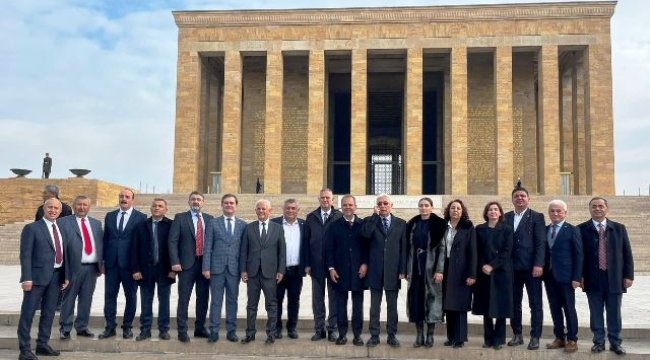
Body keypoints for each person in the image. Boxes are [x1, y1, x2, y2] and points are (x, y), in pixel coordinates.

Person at [578, 197, 634, 356]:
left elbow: (627, 254)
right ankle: (598, 342)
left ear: (606, 209)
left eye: (600, 206)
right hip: (592, 278)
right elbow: (579, 256)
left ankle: (616, 343)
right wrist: (580, 275)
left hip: (615, 278)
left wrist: (628, 275)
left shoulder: (619, 228)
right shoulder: (581, 229)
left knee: (614, 313)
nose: (597, 209)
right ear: (589, 209)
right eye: (594, 206)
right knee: (595, 312)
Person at [17, 198, 70, 360]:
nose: (53, 210)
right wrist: (26, 278)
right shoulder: (32, 228)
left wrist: (65, 275)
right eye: (50, 207)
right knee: (28, 313)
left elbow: (64, 254)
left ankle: (42, 344)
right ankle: (24, 350)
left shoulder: (61, 228)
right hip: (36, 278)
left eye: (56, 208)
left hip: (56, 278)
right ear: (44, 209)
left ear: (60, 211)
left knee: (48, 313)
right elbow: (25, 255)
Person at [359, 194, 407, 348]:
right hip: (375, 271)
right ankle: (374, 335)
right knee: (375, 306)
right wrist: (374, 217)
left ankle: (392, 335)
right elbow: (364, 236)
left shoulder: (401, 224)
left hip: (393, 272)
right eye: (379, 203)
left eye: (386, 203)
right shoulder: (370, 221)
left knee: (392, 307)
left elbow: (404, 249)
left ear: (391, 205)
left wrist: (403, 269)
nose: (382, 206)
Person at [99, 188, 147, 340]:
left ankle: (127, 327)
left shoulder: (141, 217)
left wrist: (139, 266)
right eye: (121, 196)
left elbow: (141, 244)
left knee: (131, 296)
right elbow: (105, 239)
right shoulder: (110, 216)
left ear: (133, 200)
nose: (123, 199)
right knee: (109, 296)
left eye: (127, 197)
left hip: (130, 265)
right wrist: (103, 261)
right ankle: (110, 327)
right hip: (112, 263)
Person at [169, 191, 214, 342]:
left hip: (204, 265)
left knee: (203, 298)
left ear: (203, 203)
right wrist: (175, 261)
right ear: (189, 202)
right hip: (186, 266)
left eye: (199, 199)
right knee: (184, 299)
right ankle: (182, 330)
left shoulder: (210, 219)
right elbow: (172, 241)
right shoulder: (180, 218)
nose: (196, 202)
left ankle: (200, 328)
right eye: (193, 199)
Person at [239, 199, 286, 345]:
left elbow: (282, 252)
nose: (261, 211)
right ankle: (250, 334)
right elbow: (243, 251)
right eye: (258, 209)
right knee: (251, 305)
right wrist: (243, 270)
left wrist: (281, 270)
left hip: (270, 273)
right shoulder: (249, 228)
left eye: (264, 209)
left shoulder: (277, 228)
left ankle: (271, 334)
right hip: (252, 273)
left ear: (270, 211)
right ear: (255, 211)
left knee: (271, 305)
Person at [202, 194, 247, 343]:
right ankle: (214, 331)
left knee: (232, 301)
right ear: (222, 205)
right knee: (216, 301)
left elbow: (243, 251)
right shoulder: (214, 223)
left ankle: (231, 331)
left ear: (236, 206)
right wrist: (206, 267)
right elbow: (207, 247)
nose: (229, 205)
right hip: (216, 269)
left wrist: (243, 270)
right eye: (226, 203)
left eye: (232, 203)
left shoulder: (242, 225)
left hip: (234, 269)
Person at [505, 186, 546, 350]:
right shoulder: (506, 217)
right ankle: (517, 334)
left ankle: (535, 336)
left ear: (528, 199)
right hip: (512, 269)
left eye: (523, 196)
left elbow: (540, 242)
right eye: (516, 196)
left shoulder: (536, 217)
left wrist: (539, 264)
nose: (519, 198)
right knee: (514, 303)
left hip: (531, 268)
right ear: (512, 199)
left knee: (535, 304)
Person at [58, 195, 103, 340]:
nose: (82, 207)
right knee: (68, 299)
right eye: (79, 204)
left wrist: (101, 264)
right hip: (71, 268)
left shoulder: (96, 223)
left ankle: (82, 327)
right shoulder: (63, 223)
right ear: (73, 205)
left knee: (86, 299)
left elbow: (100, 244)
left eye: (85, 205)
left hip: (91, 269)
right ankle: (65, 328)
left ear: (89, 207)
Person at [325, 195, 368, 346]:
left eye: (350, 205)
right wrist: (331, 268)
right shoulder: (334, 226)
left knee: (358, 306)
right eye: (345, 205)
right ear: (341, 207)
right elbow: (329, 249)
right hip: (339, 272)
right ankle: (342, 334)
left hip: (358, 272)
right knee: (340, 305)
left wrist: (365, 264)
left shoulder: (363, 224)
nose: (348, 207)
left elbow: (367, 248)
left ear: (355, 207)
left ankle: (357, 335)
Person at [131, 198, 175, 341]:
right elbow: (134, 249)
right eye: (154, 206)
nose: (157, 208)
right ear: (150, 209)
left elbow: (175, 248)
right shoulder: (141, 226)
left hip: (165, 270)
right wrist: (135, 269)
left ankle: (163, 329)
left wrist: (174, 269)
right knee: (146, 301)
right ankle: (145, 329)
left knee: (164, 301)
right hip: (145, 271)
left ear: (165, 209)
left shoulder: (172, 225)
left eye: (160, 206)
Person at [405, 197, 446, 348]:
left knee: (432, 301)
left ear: (431, 207)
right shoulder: (413, 224)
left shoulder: (438, 225)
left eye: (426, 205)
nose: (423, 208)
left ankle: (430, 335)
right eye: (421, 206)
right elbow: (407, 248)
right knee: (416, 301)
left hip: (431, 268)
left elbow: (442, 249)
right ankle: (419, 335)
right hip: (416, 268)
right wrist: (405, 270)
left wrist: (440, 269)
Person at [472, 201, 513, 350]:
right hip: (484, 273)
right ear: (486, 213)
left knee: (500, 307)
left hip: (501, 272)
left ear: (500, 213)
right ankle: (488, 338)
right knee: (486, 307)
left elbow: (507, 251)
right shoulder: (479, 229)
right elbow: (477, 250)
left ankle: (498, 339)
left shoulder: (507, 229)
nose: (493, 212)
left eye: (496, 209)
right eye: (490, 210)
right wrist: (483, 265)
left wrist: (492, 265)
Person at [543, 200, 583, 353]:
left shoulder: (572, 230)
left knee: (568, 308)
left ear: (565, 213)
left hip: (566, 277)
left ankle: (572, 339)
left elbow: (579, 255)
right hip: (549, 276)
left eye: (559, 211)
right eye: (552, 211)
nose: (555, 213)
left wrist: (577, 277)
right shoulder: (545, 229)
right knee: (554, 308)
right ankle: (559, 337)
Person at [304, 188, 342, 342]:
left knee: (334, 299)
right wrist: (306, 263)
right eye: (322, 198)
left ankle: (332, 329)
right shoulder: (311, 217)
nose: (325, 200)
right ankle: (319, 329)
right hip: (316, 264)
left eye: (328, 198)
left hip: (334, 266)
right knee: (317, 300)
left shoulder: (339, 216)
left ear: (332, 200)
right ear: (319, 199)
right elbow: (305, 243)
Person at [442, 199, 476, 348]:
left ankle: (460, 338)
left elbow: (473, 252)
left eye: (458, 208)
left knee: (460, 305)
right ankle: (451, 337)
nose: (455, 210)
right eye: (453, 208)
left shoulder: (468, 228)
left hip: (462, 270)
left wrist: (472, 274)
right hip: (445, 268)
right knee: (448, 304)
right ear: (448, 210)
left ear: (462, 212)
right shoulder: (443, 226)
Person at [271, 198, 306, 340]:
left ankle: (292, 327)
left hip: (296, 270)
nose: (290, 211)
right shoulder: (274, 223)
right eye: (288, 208)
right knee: (277, 300)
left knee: (294, 300)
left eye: (293, 208)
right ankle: (277, 328)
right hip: (279, 271)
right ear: (283, 209)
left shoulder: (304, 225)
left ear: (297, 210)